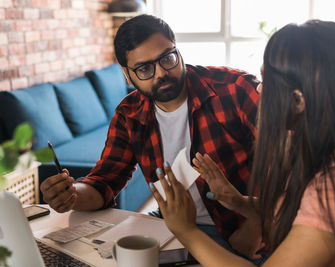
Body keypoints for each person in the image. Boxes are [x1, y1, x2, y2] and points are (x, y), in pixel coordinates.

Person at [150, 20, 335, 266]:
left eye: (266, 81)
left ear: (299, 100)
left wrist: (187, 231)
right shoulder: (330, 152)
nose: (259, 90)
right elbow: (300, 216)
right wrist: (239, 201)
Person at [39, 14, 262, 257]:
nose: (161, 74)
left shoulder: (235, 89)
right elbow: (104, 182)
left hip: (240, 229)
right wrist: (71, 195)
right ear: (127, 74)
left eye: (167, 58)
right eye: (144, 68)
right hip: (170, 224)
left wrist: (257, 225)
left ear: (178, 52)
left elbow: (296, 164)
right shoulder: (129, 114)